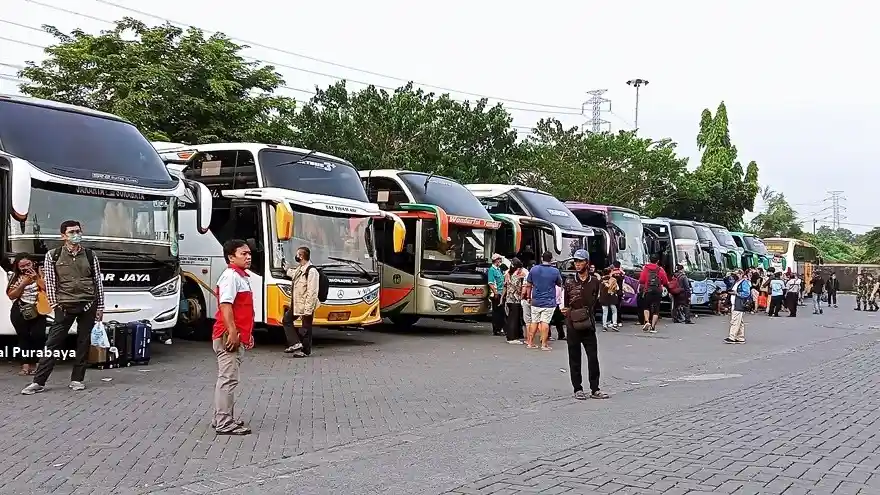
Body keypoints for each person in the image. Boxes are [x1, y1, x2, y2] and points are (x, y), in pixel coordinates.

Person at [22, 220, 105, 395]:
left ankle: (77, 379)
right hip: (64, 305)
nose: (76, 235)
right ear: (63, 236)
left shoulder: (90, 255)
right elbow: (51, 283)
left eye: (78, 231)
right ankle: (38, 382)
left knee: (83, 343)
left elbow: (98, 281)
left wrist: (100, 306)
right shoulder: (53, 255)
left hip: (88, 304)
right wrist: (55, 305)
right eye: (72, 232)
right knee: (52, 344)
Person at [211, 239, 255, 435]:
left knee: (228, 379)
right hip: (228, 335)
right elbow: (226, 305)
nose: (248, 256)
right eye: (243, 253)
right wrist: (233, 333)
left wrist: (246, 334)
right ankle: (223, 422)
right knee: (228, 380)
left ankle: (221, 417)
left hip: (234, 334)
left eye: (249, 253)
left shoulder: (240, 276)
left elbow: (242, 310)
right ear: (231, 257)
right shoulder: (231, 276)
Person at [561, 249, 609, 400]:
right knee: (574, 358)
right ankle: (578, 388)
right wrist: (566, 312)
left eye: (580, 261)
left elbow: (597, 301)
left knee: (593, 357)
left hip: (589, 324)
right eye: (575, 261)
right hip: (572, 324)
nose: (577, 264)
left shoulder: (595, 281)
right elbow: (565, 302)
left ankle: (595, 389)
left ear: (587, 263)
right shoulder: (569, 281)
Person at [6, 254, 48, 376]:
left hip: (39, 309)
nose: (25, 268)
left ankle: (38, 365)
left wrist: (36, 278)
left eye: (28, 264)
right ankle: (25, 366)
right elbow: (11, 295)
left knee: (38, 336)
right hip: (20, 309)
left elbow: (47, 288)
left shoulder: (42, 273)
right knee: (23, 337)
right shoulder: (14, 276)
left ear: (33, 263)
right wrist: (23, 284)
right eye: (22, 266)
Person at [283, 246, 320, 357]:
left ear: (301, 256)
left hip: (306, 304)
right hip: (297, 302)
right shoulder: (301, 268)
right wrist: (286, 269)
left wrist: (308, 309)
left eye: (297, 254)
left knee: (305, 328)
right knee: (286, 320)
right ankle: (296, 343)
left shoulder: (312, 271)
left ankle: (304, 351)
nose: (296, 256)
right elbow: (294, 274)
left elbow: (312, 292)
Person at [524, 251, 563, 351]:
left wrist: (529, 297)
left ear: (542, 258)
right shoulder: (555, 271)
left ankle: (530, 342)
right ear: (551, 259)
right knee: (545, 322)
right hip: (549, 301)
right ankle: (544, 344)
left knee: (534, 321)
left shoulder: (534, 269)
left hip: (536, 300)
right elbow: (559, 284)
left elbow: (528, 285)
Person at [637, 253, 669, 333]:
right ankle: (653, 327)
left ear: (649, 260)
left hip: (648, 290)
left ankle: (647, 321)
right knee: (656, 309)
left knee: (646, 307)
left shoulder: (645, 268)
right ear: (658, 261)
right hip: (658, 290)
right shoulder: (660, 269)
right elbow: (665, 281)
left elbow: (641, 280)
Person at [502, 257, 527, 344]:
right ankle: (512, 338)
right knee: (514, 319)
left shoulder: (508, 273)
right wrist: (521, 294)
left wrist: (502, 298)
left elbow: (505, 286)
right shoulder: (516, 275)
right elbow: (517, 287)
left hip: (509, 299)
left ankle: (510, 336)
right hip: (515, 299)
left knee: (510, 318)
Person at [725, 270, 750, 344]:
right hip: (735, 303)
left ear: (741, 274)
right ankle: (740, 337)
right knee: (740, 321)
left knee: (735, 321)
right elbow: (726, 281)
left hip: (739, 303)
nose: (735, 276)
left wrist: (737, 293)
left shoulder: (744, 282)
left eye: (736, 274)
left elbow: (746, 293)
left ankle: (732, 337)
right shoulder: (736, 282)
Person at [487, 253, 506, 336]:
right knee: (497, 312)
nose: (500, 261)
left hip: (501, 293)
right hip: (496, 294)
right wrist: (495, 292)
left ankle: (500, 328)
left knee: (501, 312)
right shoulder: (492, 270)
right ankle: (496, 329)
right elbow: (490, 283)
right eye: (499, 259)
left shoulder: (499, 269)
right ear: (496, 260)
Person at [610, 261, 625, 327]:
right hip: (618, 292)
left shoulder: (613, 274)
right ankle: (617, 321)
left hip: (614, 292)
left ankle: (614, 321)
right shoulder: (620, 274)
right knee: (617, 307)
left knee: (614, 307)